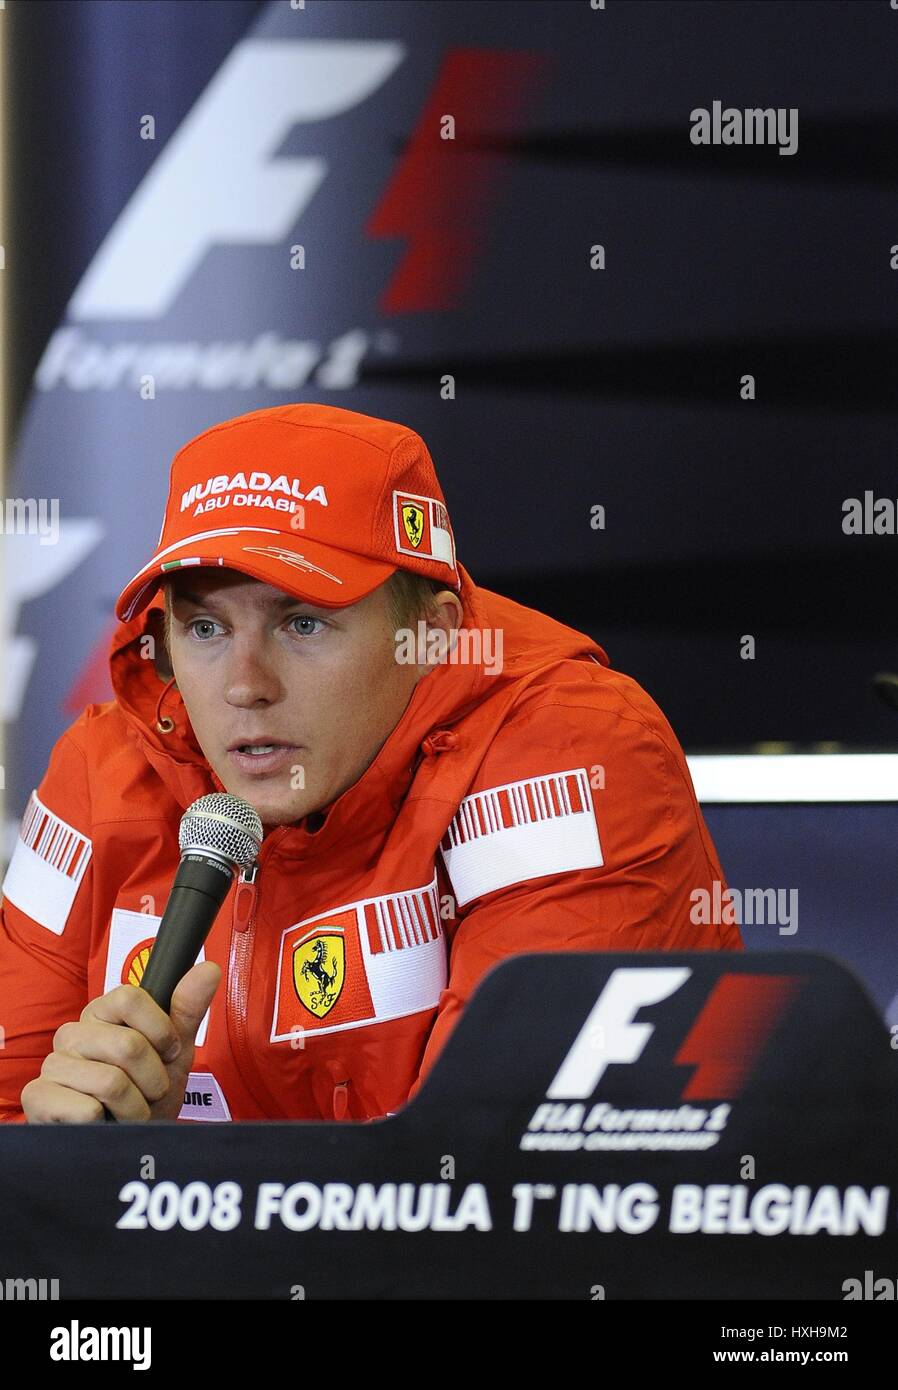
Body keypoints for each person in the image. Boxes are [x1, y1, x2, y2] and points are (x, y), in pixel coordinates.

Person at [0, 402, 742, 1124]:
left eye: (303, 623)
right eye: (203, 627)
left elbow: (507, 1174)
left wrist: (188, 1188)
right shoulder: (102, 771)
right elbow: (15, 1114)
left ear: (431, 635)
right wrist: (98, 1163)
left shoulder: (572, 751)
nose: (244, 686)